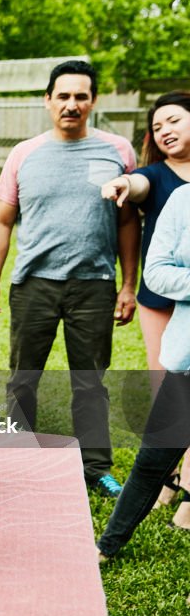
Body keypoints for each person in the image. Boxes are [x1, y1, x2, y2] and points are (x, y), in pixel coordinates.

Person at [0, 60, 139, 497]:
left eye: (80, 96)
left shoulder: (118, 152)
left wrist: (128, 285)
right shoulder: (24, 153)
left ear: (93, 101)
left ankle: (96, 467)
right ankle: (17, 457)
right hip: (34, 283)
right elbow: (2, 220)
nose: (72, 105)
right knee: (23, 378)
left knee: (90, 382)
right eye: (63, 96)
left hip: (94, 284)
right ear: (48, 100)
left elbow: (128, 223)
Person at [100, 90, 190, 516]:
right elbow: (139, 185)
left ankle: (185, 490)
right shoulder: (155, 174)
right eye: (157, 127)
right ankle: (169, 481)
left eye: (173, 120)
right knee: (171, 398)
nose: (164, 131)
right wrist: (123, 183)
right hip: (162, 299)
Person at [97, 183, 190, 558]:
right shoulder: (183, 200)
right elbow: (157, 272)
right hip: (187, 362)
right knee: (152, 462)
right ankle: (107, 547)